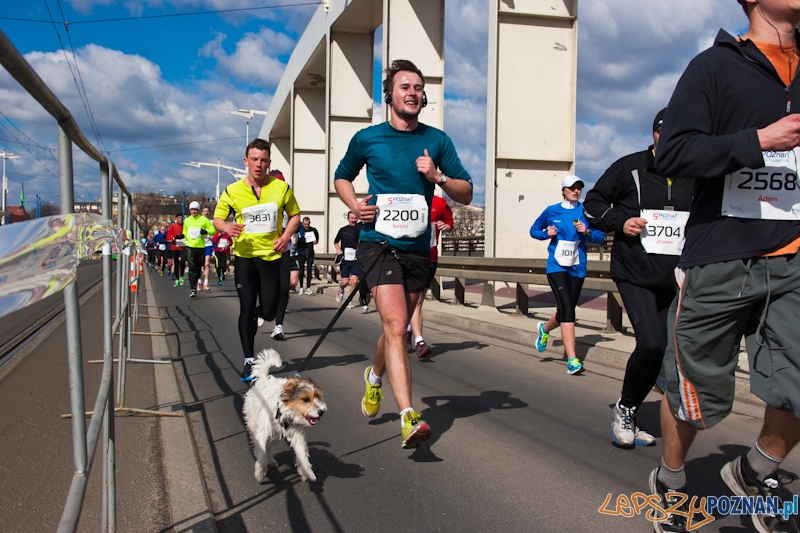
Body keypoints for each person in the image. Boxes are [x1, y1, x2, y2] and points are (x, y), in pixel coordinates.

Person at [647, 2, 800, 532]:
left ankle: (755, 471)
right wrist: (759, 141)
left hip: (795, 255)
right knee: (695, 390)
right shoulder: (714, 66)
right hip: (722, 254)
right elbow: (672, 156)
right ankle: (670, 480)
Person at [334, 59, 473, 449]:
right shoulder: (367, 139)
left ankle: (374, 377)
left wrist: (438, 177)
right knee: (397, 326)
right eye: (404, 86)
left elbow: (466, 192)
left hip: (418, 250)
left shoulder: (437, 141)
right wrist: (355, 205)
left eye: (418, 87)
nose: (412, 93)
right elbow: (342, 176)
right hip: (377, 244)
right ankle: (409, 415)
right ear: (389, 95)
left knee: (393, 329)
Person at [583, 108, 693, 449]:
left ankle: (633, 404)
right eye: (663, 130)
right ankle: (625, 410)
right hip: (635, 272)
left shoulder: (695, 172)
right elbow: (592, 203)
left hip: (674, 277)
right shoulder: (630, 168)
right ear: (654, 133)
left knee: (664, 349)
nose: (669, 136)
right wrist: (621, 221)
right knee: (651, 342)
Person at [213, 138, 300, 382]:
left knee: (269, 312)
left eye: (263, 160)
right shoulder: (233, 190)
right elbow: (218, 219)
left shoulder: (281, 188)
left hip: (271, 256)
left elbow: (295, 215)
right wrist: (227, 228)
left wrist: (285, 236)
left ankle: (258, 316)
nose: (258, 164)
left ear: (269, 162)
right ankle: (248, 360)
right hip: (245, 257)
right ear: (246, 161)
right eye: (254, 159)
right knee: (247, 308)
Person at [529, 175, 605, 375]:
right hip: (557, 267)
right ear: (563, 190)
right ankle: (572, 360)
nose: (576, 191)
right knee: (569, 311)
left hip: (577, 267)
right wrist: (546, 233)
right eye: (572, 188)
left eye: (579, 188)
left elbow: (601, 237)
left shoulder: (586, 212)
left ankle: (544, 329)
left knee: (565, 310)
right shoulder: (552, 211)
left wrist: (588, 232)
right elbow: (534, 230)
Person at [406, 193, 453, 358]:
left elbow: (450, 223)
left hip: (430, 258)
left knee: (418, 300)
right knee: (414, 301)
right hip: (409, 256)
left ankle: (409, 330)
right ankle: (420, 342)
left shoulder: (440, 202)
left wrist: (446, 227)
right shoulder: (408, 198)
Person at [333, 211, 370, 312]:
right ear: (348, 219)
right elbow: (336, 241)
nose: (353, 220)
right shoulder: (343, 230)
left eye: (355, 218)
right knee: (345, 282)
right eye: (351, 218)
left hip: (356, 259)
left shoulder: (361, 229)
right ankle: (341, 289)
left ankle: (349, 300)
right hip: (345, 259)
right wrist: (338, 250)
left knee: (354, 280)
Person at [183, 201, 216, 298]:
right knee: (192, 267)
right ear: (190, 210)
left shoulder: (204, 220)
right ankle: (192, 289)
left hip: (201, 247)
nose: (193, 211)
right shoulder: (187, 220)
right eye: (192, 210)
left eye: (195, 210)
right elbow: (185, 231)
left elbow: (213, 230)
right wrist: (186, 236)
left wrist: (205, 232)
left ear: (198, 210)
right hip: (190, 246)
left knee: (198, 268)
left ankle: (196, 284)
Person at [296, 217, 318, 295]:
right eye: (305, 224)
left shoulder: (313, 230)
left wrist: (315, 241)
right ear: (302, 223)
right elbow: (297, 241)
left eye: (308, 224)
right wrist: (302, 239)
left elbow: (316, 240)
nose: (306, 226)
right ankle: (301, 287)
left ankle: (308, 287)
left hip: (310, 252)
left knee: (309, 270)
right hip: (301, 253)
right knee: (301, 270)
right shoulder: (299, 231)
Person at [166, 213, 186, 286]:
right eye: (179, 218)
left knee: (183, 261)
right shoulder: (173, 226)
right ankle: (177, 278)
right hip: (174, 247)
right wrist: (174, 238)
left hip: (183, 246)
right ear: (176, 218)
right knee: (176, 263)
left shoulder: (185, 225)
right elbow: (168, 237)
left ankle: (182, 276)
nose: (180, 219)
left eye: (181, 218)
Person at [201, 206, 215, 290]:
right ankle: (199, 281)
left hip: (208, 244)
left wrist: (212, 236)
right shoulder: (198, 221)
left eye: (207, 211)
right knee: (200, 264)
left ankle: (206, 283)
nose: (206, 212)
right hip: (200, 244)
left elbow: (214, 232)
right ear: (201, 212)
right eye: (204, 211)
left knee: (207, 263)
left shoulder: (211, 222)